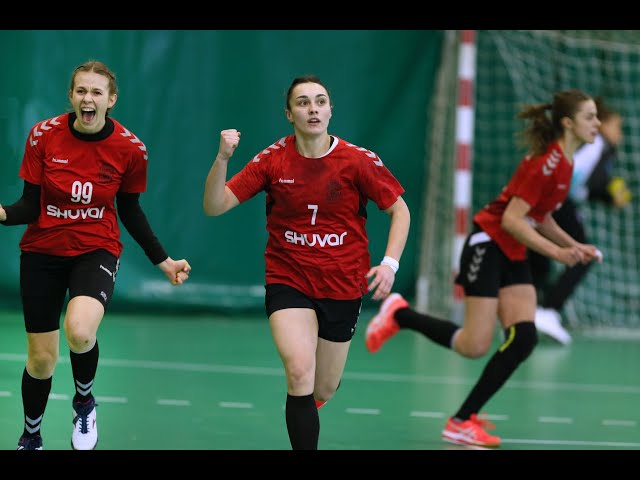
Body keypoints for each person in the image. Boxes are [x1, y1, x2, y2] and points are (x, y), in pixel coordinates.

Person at [364, 89, 602, 448]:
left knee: (524, 338)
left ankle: (461, 416)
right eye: (590, 116)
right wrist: (558, 253)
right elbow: (512, 220)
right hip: (488, 246)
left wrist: (574, 245)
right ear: (568, 123)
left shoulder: (565, 163)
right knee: (474, 345)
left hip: (512, 251)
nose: (597, 123)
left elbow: (541, 216)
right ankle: (402, 317)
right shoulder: (546, 162)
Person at [203, 75, 410, 450]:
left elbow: (400, 210)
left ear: (330, 110)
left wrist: (390, 264)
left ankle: (307, 404)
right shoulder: (272, 160)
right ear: (289, 114)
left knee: (323, 387)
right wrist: (222, 159)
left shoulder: (357, 161)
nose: (313, 109)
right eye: (303, 103)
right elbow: (215, 206)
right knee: (299, 371)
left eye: (320, 101)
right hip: (289, 279)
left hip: (343, 284)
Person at [0, 60, 192, 450]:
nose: (88, 99)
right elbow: (30, 205)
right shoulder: (43, 136)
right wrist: (3, 213)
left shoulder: (130, 148)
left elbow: (131, 211)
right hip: (41, 251)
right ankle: (31, 437)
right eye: (82, 91)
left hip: (95, 248)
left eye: (97, 92)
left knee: (80, 330)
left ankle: (84, 403)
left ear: (111, 99)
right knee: (41, 359)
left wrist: (164, 262)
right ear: (71, 96)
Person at [530, 98, 631, 344]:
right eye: (617, 126)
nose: (620, 134)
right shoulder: (599, 145)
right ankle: (547, 311)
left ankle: (528, 313)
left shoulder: (592, 148)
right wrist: (610, 194)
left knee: (540, 258)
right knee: (582, 255)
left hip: (550, 198)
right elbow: (585, 182)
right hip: (556, 199)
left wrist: (607, 195)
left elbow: (583, 183)